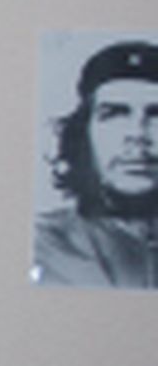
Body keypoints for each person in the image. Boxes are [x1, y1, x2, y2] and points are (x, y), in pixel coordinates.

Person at [33, 40, 158, 288]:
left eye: (156, 115)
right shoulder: (44, 247)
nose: (138, 135)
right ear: (83, 135)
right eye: (115, 114)